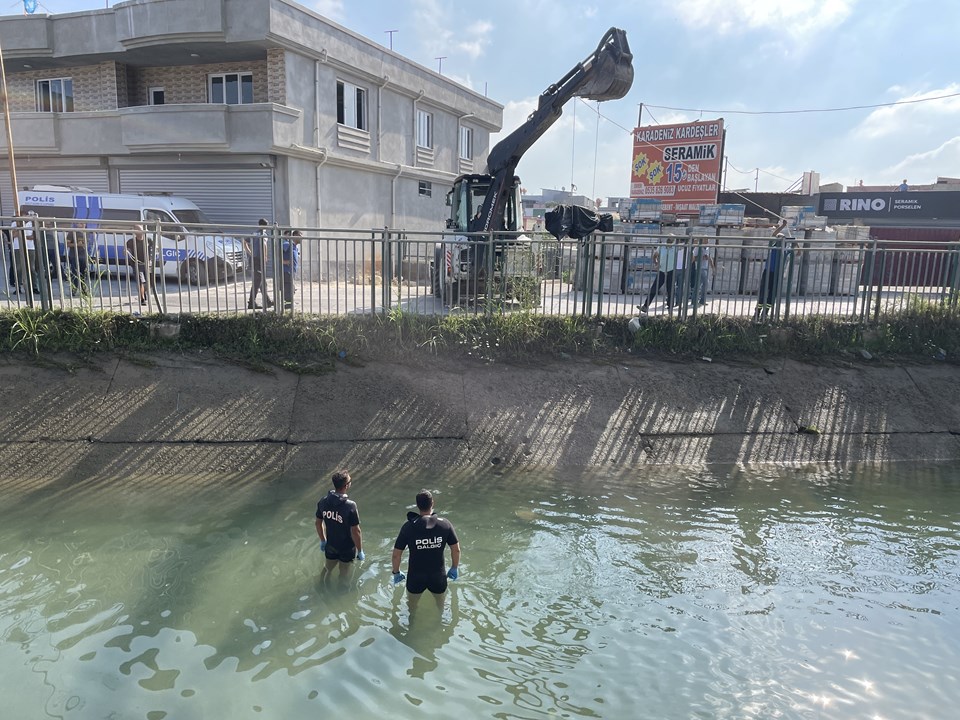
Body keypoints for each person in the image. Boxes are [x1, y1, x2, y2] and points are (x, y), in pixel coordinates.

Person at [392, 489, 460, 609]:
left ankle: (411, 624)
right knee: (440, 608)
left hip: (415, 577)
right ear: (432, 503)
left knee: (411, 609)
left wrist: (396, 572)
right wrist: (454, 568)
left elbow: (396, 555)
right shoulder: (445, 524)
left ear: (417, 505)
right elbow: (456, 550)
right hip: (438, 576)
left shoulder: (408, 527)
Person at [315, 470, 364, 579]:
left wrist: (323, 540)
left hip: (331, 545)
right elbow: (356, 531)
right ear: (346, 485)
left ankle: (322, 585)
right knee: (344, 572)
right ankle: (342, 591)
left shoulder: (323, 502)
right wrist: (360, 550)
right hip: (347, 548)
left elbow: (318, 523)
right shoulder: (350, 506)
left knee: (327, 568)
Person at [754, 219, 790, 321]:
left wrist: (795, 242)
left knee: (771, 295)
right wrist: (782, 226)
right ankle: (757, 312)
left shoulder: (785, 251)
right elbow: (774, 234)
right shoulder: (773, 247)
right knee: (763, 292)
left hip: (777, 274)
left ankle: (765, 313)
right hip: (768, 272)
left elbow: (798, 253)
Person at [638, 233, 679, 313]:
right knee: (654, 288)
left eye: (671, 239)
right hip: (662, 270)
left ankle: (670, 307)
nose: (669, 241)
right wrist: (656, 263)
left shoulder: (675, 248)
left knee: (670, 290)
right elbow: (655, 256)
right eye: (668, 239)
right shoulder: (662, 246)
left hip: (671, 271)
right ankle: (645, 306)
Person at [246, 218, 273, 310]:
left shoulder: (253, 233)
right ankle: (251, 303)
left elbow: (245, 242)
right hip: (259, 259)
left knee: (262, 281)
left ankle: (267, 301)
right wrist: (265, 256)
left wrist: (250, 253)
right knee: (258, 281)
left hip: (253, 259)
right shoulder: (263, 234)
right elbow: (264, 245)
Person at [10, 212, 39, 295]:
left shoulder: (31, 223)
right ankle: (18, 288)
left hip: (30, 248)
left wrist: (22, 236)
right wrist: (19, 228)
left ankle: (34, 287)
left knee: (31, 268)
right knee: (18, 268)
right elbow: (14, 235)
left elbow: (34, 236)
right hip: (18, 247)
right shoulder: (15, 223)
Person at [126, 224, 150, 305]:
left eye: (140, 230)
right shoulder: (131, 241)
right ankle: (142, 299)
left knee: (149, 282)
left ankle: (143, 292)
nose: (140, 232)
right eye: (137, 230)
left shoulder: (148, 240)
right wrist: (126, 251)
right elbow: (127, 249)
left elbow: (154, 248)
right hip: (136, 264)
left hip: (146, 263)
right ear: (134, 232)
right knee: (140, 281)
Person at [65, 223, 90, 295]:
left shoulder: (86, 233)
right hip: (74, 255)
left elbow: (86, 244)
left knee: (83, 274)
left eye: (83, 223)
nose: (82, 225)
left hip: (83, 256)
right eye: (80, 223)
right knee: (75, 273)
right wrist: (77, 244)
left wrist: (83, 244)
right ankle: (74, 290)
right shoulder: (72, 232)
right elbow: (67, 244)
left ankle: (83, 290)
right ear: (77, 224)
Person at [688, 237, 715, 306]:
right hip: (699, 268)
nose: (707, 242)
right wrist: (701, 257)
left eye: (707, 241)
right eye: (705, 241)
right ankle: (701, 300)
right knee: (705, 283)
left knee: (698, 285)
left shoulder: (708, 248)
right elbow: (693, 258)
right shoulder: (698, 248)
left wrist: (713, 268)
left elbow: (710, 258)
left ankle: (695, 301)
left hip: (705, 268)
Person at [281, 229, 301, 311]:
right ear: (295, 236)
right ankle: (288, 306)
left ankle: (289, 304)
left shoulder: (295, 247)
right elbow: (278, 254)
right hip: (286, 271)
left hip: (291, 271)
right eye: (300, 236)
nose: (301, 238)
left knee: (291, 288)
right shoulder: (287, 244)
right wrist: (283, 261)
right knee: (288, 288)